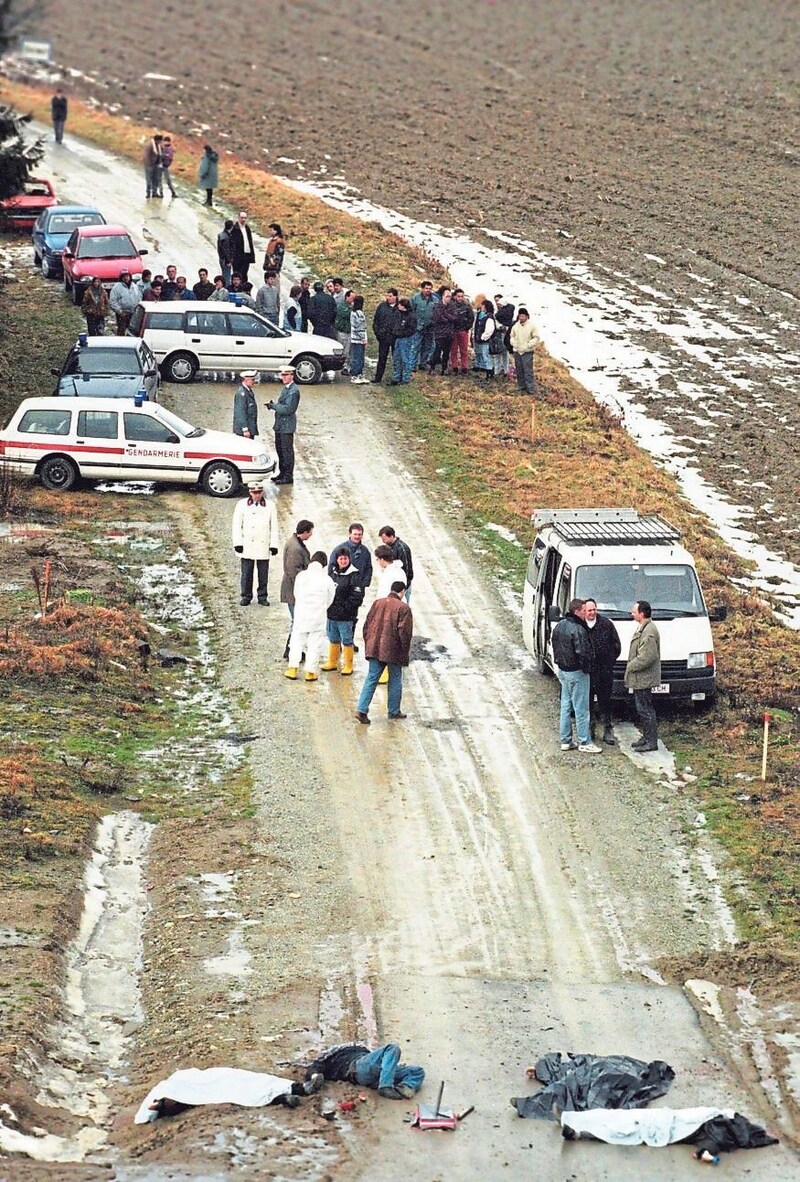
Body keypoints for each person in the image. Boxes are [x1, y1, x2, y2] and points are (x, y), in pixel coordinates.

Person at [355, 583, 413, 724]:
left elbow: (366, 625)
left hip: (374, 647)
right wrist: (405, 652)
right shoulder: (403, 608)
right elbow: (404, 633)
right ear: (402, 592)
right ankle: (394, 711)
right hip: (393, 650)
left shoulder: (377, 603)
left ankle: (361, 709)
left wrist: (368, 642)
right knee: (395, 679)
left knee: (371, 678)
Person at [551, 598, 603, 754]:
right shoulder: (578, 629)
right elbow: (583, 653)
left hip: (563, 671)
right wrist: (588, 669)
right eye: (583, 610)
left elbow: (555, 646)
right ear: (577, 611)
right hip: (577, 673)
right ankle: (584, 741)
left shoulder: (559, 626)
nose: (585, 612)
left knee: (566, 706)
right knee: (582, 709)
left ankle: (566, 740)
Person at [304, 1043, 424, 1101]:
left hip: (374, 1072)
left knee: (417, 1071)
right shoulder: (329, 1057)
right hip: (357, 1068)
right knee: (392, 1048)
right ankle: (386, 1086)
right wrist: (315, 1076)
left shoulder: (356, 1048)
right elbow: (314, 1068)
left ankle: (405, 1086)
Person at [286, 552, 335, 682]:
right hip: (318, 616)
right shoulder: (327, 579)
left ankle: (292, 668)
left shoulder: (301, 576)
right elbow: (330, 598)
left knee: (297, 641)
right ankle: (310, 672)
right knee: (315, 644)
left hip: (301, 614)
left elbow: (296, 593)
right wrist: (322, 607)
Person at [232, 481, 279, 606]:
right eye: (254, 492)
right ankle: (246, 595)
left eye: (259, 492)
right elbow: (237, 525)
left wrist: (274, 545)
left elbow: (274, 527)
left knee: (263, 573)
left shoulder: (270, 506)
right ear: (250, 492)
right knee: (247, 573)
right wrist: (238, 543)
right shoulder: (241, 505)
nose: (257, 495)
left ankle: (262, 596)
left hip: (263, 544)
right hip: (247, 544)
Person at [322, 547, 365, 676]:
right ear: (337, 560)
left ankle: (348, 664)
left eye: (345, 558)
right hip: (331, 614)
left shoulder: (355, 575)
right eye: (341, 559)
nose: (343, 561)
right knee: (333, 638)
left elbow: (357, 597)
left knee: (347, 640)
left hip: (346, 616)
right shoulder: (332, 573)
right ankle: (332, 662)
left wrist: (345, 608)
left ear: (349, 559)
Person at [624, 600, 661, 752]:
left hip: (644, 678)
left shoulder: (649, 631)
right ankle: (646, 737)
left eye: (634, 611)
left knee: (646, 710)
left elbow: (648, 656)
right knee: (643, 709)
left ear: (642, 613)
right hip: (641, 678)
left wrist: (631, 666)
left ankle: (651, 742)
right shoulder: (644, 628)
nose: (632, 613)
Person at [584, 597, 621, 745]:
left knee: (605, 702)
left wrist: (609, 662)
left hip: (605, 672)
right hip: (587, 673)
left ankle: (607, 730)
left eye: (594, 610)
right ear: (584, 611)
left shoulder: (606, 624)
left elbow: (616, 646)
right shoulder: (580, 625)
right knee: (588, 703)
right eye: (589, 610)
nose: (592, 613)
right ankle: (590, 729)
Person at [280, 519, 314, 658]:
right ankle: (292, 650)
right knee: (297, 621)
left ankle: (292, 649)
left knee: (297, 620)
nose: (311, 534)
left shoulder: (295, 543)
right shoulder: (295, 548)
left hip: (293, 589)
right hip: (294, 591)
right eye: (310, 532)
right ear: (305, 532)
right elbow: (294, 571)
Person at [266, 366, 300, 484]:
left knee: (287, 451)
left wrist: (274, 406)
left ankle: (288, 475)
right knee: (280, 450)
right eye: (283, 375)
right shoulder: (286, 389)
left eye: (286, 375)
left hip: (287, 426)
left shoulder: (293, 391)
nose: (284, 378)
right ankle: (282, 472)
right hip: (280, 425)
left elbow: (288, 409)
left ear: (292, 376)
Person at [509, 307, 540, 396]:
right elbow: (512, 336)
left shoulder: (532, 326)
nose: (521, 318)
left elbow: (536, 338)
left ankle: (530, 388)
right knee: (519, 369)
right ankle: (521, 385)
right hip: (517, 351)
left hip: (527, 352)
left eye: (523, 316)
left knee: (528, 370)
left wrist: (529, 345)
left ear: (526, 316)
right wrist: (514, 343)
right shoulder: (515, 326)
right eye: (520, 316)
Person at [377, 526, 413, 601]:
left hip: (402, 587)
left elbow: (407, 570)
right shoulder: (390, 547)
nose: (383, 541)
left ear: (392, 536)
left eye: (384, 539)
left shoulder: (402, 549)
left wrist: (403, 588)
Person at [372, 288, 398, 383]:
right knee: (382, 358)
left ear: (395, 297)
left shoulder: (399, 307)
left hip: (395, 337)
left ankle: (396, 377)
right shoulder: (382, 306)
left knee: (396, 358)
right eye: (387, 295)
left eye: (390, 296)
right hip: (383, 337)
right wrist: (377, 333)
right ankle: (378, 377)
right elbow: (376, 320)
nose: (388, 298)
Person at [429, 288, 456, 375]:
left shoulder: (452, 306)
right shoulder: (438, 306)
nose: (448, 298)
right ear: (443, 296)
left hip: (449, 333)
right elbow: (438, 318)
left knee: (446, 353)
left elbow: (455, 318)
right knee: (437, 352)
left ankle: (444, 368)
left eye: (450, 297)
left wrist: (446, 315)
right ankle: (432, 367)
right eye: (447, 296)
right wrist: (448, 318)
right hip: (439, 333)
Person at [410, 280, 435, 371]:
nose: (428, 290)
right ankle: (412, 365)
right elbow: (411, 311)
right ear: (422, 289)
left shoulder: (434, 299)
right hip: (418, 327)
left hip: (430, 328)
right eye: (426, 288)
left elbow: (436, 312)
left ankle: (423, 363)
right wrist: (414, 324)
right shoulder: (416, 298)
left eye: (430, 288)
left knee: (427, 346)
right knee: (415, 346)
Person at [391, 298, 417, 385]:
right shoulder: (398, 313)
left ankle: (405, 378)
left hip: (406, 339)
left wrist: (402, 333)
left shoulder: (411, 316)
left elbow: (412, 329)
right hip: (398, 338)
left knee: (406, 359)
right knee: (396, 358)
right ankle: (396, 377)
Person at [449, 289, 474, 375]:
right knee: (454, 350)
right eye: (458, 296)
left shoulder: (467, 306)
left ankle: (464, 367)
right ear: (455, 296)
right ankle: (454, 367)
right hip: (454, 331)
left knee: (464, 351)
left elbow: (471, 318)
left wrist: (467, 328)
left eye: (462, 296)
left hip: (463, 331)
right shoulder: (451, 305)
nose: (460, 298)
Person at [109, 269, 140, 335]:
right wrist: (120, 311)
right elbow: (112, 301)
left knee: (133, 331)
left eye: (127, 276)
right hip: (122, 313)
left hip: (133, 313)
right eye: (124, 276)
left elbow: (139, 297)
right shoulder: (116, 287)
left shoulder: (134, 286)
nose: (126, 278)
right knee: (121, 331)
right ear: (121, 277)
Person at [473, 299, 496, 381]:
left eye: (483, 305)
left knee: (486, 356)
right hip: (480, 340)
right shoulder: (482, 315)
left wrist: (482, 337)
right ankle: (485, 369)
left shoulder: (489, 318)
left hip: (485, 341)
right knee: (482, 355)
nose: (481, 307)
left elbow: (489, 331)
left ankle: (489, 371)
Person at [493, 294, 515, 378]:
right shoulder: (509, 309)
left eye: (498, 301)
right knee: (499, 351)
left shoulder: (501, 312)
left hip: (503, 333)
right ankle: (500, 369)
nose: (497, 303)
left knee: (503, 351)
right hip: (499, 333)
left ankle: (502, 369)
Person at [230, 211, 255, 282]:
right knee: (237, 274)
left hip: (246, 255)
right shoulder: (235, 229)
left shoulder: (247, 228)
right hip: (237, 256)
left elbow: (250, 242)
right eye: (242, 218)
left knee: (244, 273)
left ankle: (244, 288)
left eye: (245, 218)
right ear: (238, 218)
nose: (243, 220)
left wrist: (251, 256)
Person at [233, 370, 259, 439]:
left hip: (250, 427)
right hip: (244, 430)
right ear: (246, 380)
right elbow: (240, 412)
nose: (254, 382)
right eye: (252, 380)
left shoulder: (248, 391)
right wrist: (245, 429)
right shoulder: (242, 393)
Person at [349, 295, 368, 383]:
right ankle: (354, 375)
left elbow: (363, 327)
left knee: (360, 357)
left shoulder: (358, 312)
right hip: (357, 339)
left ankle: (360, 374)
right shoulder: (356, 313)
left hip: (359, 338)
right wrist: (363, 337)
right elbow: (357, 327)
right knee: (357, 357)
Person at [334, 289, 353, 372]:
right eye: (352, 298)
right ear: (347, 297)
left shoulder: (349, 306)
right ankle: (342, 365)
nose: (353, 300)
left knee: (348, 350)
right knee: (343, 350)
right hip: (343, 331)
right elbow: (347, 314)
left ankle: (346, 366)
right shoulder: (342, 306)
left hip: (349, 331)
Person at [143, 133, 163, 198]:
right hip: (149, 165)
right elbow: (146, 156)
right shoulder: (149, 145)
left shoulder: (159, 146)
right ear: (157, 140)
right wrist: (149, 165)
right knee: (149, 180)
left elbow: (160, 154)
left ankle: (154, 192)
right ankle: (148, 193)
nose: (161, 142)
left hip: (156, 165)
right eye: (160, 141)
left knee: (156, 179)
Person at [217, 220, 235, 287]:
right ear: (231, 227)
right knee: (226, 277)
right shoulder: (226, 237)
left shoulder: (222, 235)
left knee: (225, 275)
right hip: (225, 260)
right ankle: (226, 290)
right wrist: (228, 260)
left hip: (222, 259)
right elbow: (226, 250)